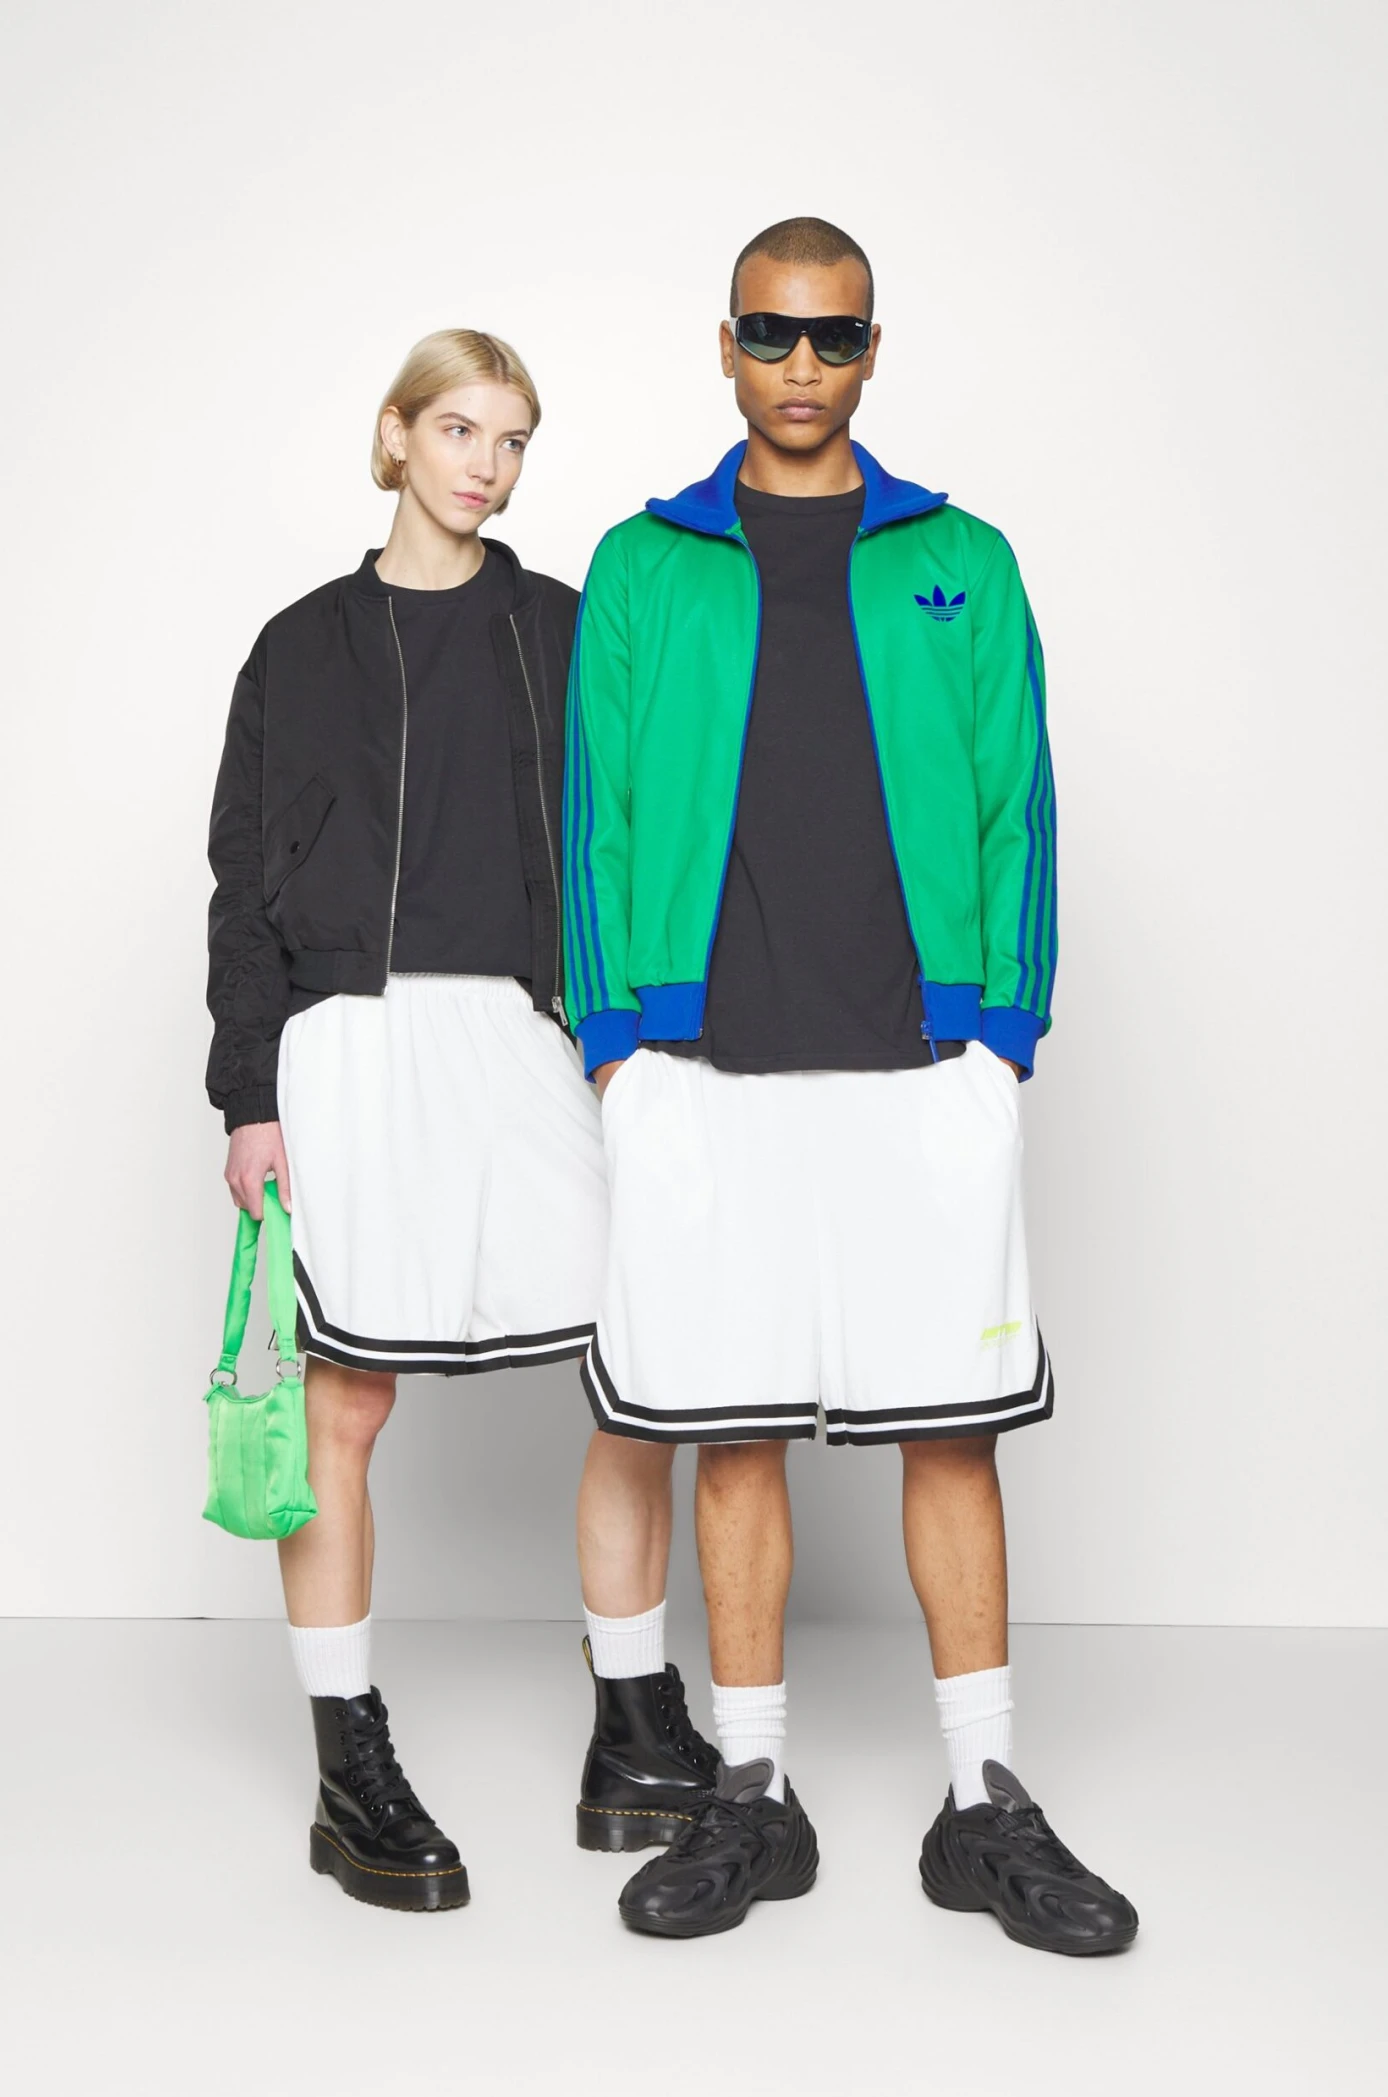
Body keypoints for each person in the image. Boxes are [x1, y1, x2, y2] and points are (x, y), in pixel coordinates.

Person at [564, 219, 1138, 1951]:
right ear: (725, 345)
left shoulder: (962, 557)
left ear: (872, 351)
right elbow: (593, 817)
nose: (801, 365)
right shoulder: (644, 563)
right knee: (732, 1430)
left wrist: (1004, 1029)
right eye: (771, 333)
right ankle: (754, 1792)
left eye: (832, 338)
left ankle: (983, 1803)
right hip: (702, 1066)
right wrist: (616, 1045)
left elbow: (1020, 800)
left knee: (950, 1428)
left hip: (924, 1061)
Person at [204, 329, 715, 1912]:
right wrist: (248, 1094)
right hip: (348, 1043)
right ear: (396, 437)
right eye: (459, 430)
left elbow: (633, 844)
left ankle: (633, 1718)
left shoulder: (561, 628)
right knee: (346, 1405)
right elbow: (240, 889)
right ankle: (347, 1758)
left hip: (520, 1030)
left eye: (512, 439)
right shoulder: (297, 647)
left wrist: (639, 1045)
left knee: (640, 1366)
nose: (486, 465)